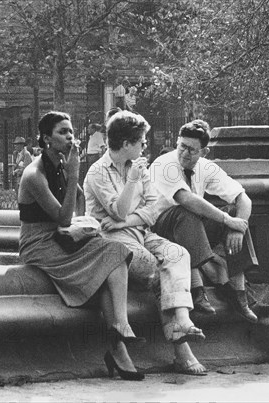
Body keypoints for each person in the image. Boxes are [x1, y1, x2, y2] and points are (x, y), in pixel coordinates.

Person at [18, 111, 144, 381]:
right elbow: (63, 216)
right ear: (46, 139)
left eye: (71, 131)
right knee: (107, 261)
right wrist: (75, 172)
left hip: (61, 235)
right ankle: (119, 345)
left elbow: (74, 204)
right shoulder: (34, 174)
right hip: (39, 243)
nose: (70, 137)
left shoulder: (61, 165)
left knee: (116, 252)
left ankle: (119, 330)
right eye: (63, 132)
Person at [84, 110, 208, 376]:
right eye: (141, 141)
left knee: (178, 254)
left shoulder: (138, 167)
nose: (144, 146)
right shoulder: (97, 172)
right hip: (112, 241)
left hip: (138, 232)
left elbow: (154, 207)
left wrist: (125, 221)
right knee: (156, 267)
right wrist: (128, 193)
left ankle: (183, 323)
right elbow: (118, 209)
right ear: (127, 143)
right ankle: (180, 346)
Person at [150, 119, 258, 323]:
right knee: (188, 211)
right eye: (182, 146)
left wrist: (238, 228)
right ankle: (197, 290)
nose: (184, 153)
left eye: (192, 150)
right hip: (160, 229)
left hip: (191, 229)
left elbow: (243, 198)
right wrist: (227, 220)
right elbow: (186, 199)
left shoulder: (207, 167)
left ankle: (239, 295)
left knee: (235, 212)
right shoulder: (163, 164)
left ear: (204, 152)